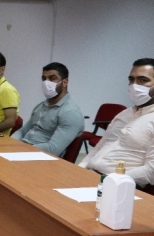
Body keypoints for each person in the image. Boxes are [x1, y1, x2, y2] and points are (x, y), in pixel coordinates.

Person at [79, 58, 154, 188]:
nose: (134, 85)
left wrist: (109, 179)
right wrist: (79, 169)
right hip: (91, 176)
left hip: (119, 185)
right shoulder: (124, 114)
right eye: (131, 79)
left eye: (143, 80)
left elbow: (151, 171)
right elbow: (99, 147)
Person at [12, 62, 84, 157]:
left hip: (42, 158)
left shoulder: (70, 113)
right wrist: (9, 144)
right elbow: (22, 132)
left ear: (65, 82)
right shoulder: (41, 106)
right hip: (24, 151)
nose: (46, 82)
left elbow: (53, 149)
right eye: (44, 79)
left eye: (52, 78)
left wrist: (22, 149)